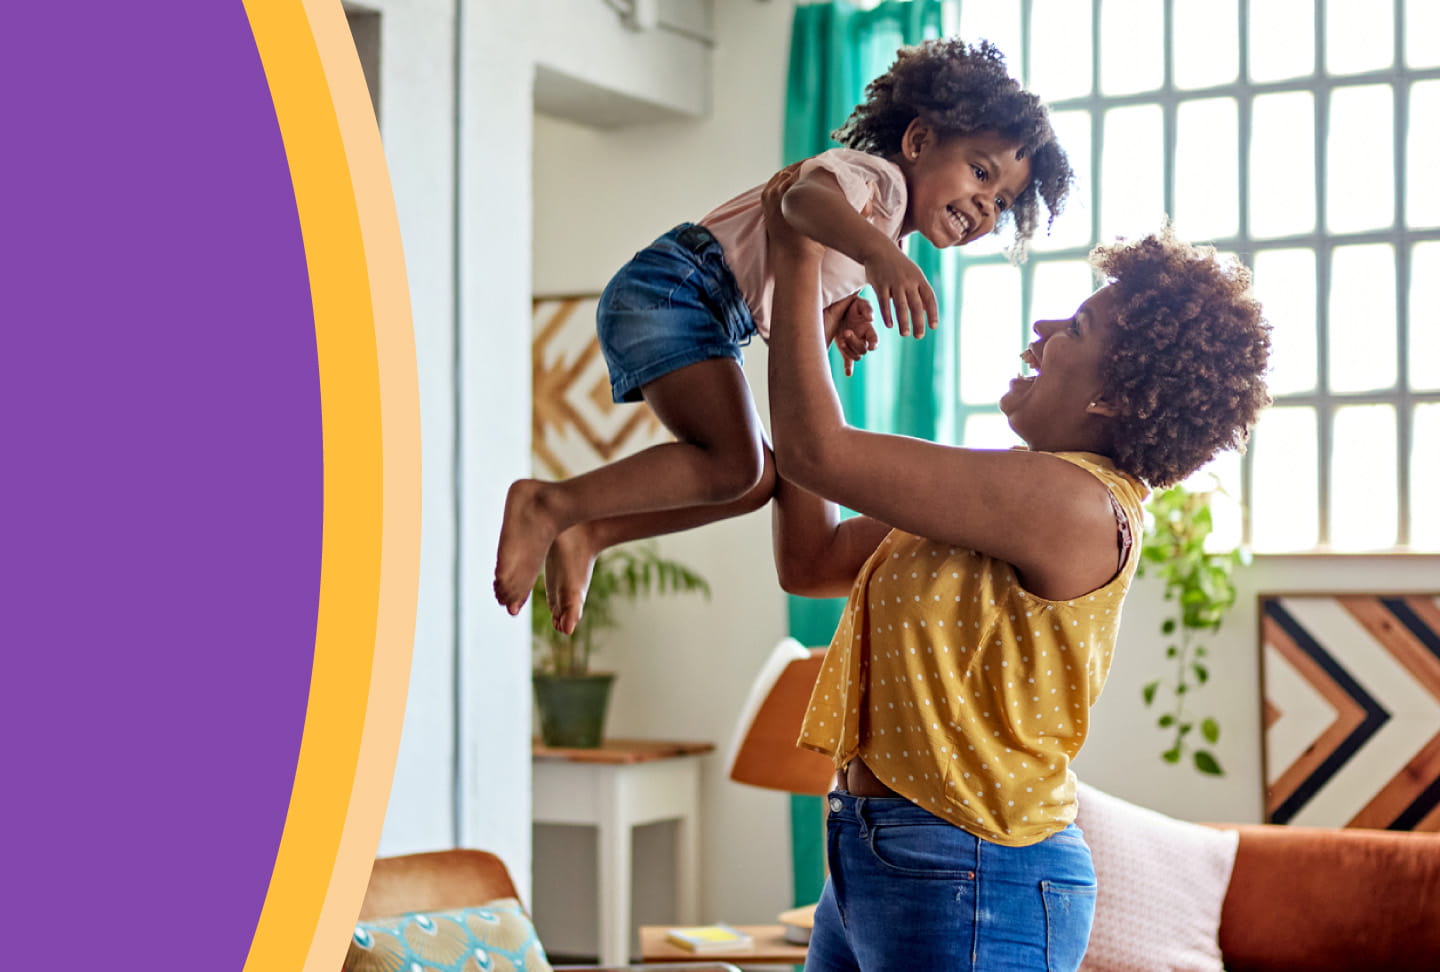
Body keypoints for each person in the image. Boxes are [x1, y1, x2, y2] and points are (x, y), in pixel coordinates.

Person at [762, 166, 1271, 972]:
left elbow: (816, 451)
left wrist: (795, 254)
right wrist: (811, 335)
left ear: (1115, 396)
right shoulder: (995, 497)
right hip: (873, 853)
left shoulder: (1071, 502)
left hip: (971, 871)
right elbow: (811, 558)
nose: (1042, 324)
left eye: (1079, 324)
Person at [494, 39, 1074, 633]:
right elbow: (800, 201)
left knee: (749, 482)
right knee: (735, 465)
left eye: (1001, 202)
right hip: (677, 288)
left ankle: (592, 528)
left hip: (698, 307)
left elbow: (798, 295)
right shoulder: (876, 182)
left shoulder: (883, 228)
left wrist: (843, 313)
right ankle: (550, 503)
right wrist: (876, 256)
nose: (984, 204)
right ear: (919, 142)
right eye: (980, 172)